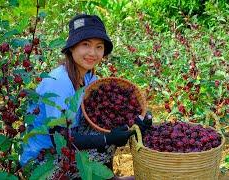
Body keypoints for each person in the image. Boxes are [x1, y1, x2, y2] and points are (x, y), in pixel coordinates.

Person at [20, 14, 152, 179]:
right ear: (72, 47)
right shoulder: (59, 81)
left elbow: (104, 118)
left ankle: (105, 176)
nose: (93, 53)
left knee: (108, 131)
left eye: (99, 46)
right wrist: (106, 139)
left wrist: (135, 123)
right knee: (104, 142)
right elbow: (60, 138)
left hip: (68, 142)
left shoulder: (90, 79)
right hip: (42, 160)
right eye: (85, 44)